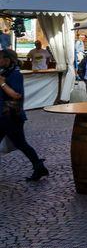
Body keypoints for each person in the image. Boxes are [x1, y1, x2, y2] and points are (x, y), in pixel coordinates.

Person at [0, 49, 48, 181]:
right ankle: (39, 167)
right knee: (22, 144)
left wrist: (2, 83)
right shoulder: (5, 72)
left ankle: (39, 167)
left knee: (22, 144)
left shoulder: (15, 75)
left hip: (11, 117)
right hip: (3, 116)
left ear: (8, 59)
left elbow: (16, 95)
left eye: (0, 58)